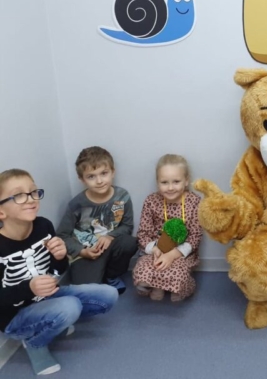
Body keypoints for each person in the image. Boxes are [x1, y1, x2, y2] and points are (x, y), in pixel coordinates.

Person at [0, 169, 118, 376]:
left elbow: (57, 271)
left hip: (47, 296)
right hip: (13, 316)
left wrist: (60, 256)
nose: (31, 199)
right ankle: (35, 342)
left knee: (108, 294)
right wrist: (29, 288)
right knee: (69, 306)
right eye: (18, 195)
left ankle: (53, 320)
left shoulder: (43, 225)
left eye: (33, 191)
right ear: (1, 212)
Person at [56, 146, 137, 294]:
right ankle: (97, 274)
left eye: (104, 173)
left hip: (110, 246)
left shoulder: (122, 196)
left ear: (113, 172)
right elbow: (62, 235)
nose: (99, 181)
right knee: (87, 290)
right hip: (86, 252)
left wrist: (110, 236)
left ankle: (111, 275)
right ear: (82, 179)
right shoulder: (76, 204)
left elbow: (127, 226)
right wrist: (82, 251)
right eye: (91, 176)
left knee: (129, 242)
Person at [132, 154, 202, 302]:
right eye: (164, 182)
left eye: (176, 181)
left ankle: (174, 286)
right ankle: (159, 286)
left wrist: (172, 255)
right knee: (143, 272)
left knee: (177, 273)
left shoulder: (194, 201)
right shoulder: (151, 201)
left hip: (181, 252)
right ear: (157, 182)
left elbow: (195, 236)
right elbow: (143, 233)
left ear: (186, 181)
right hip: (156, 250)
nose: (170, 188)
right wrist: (155, 250)